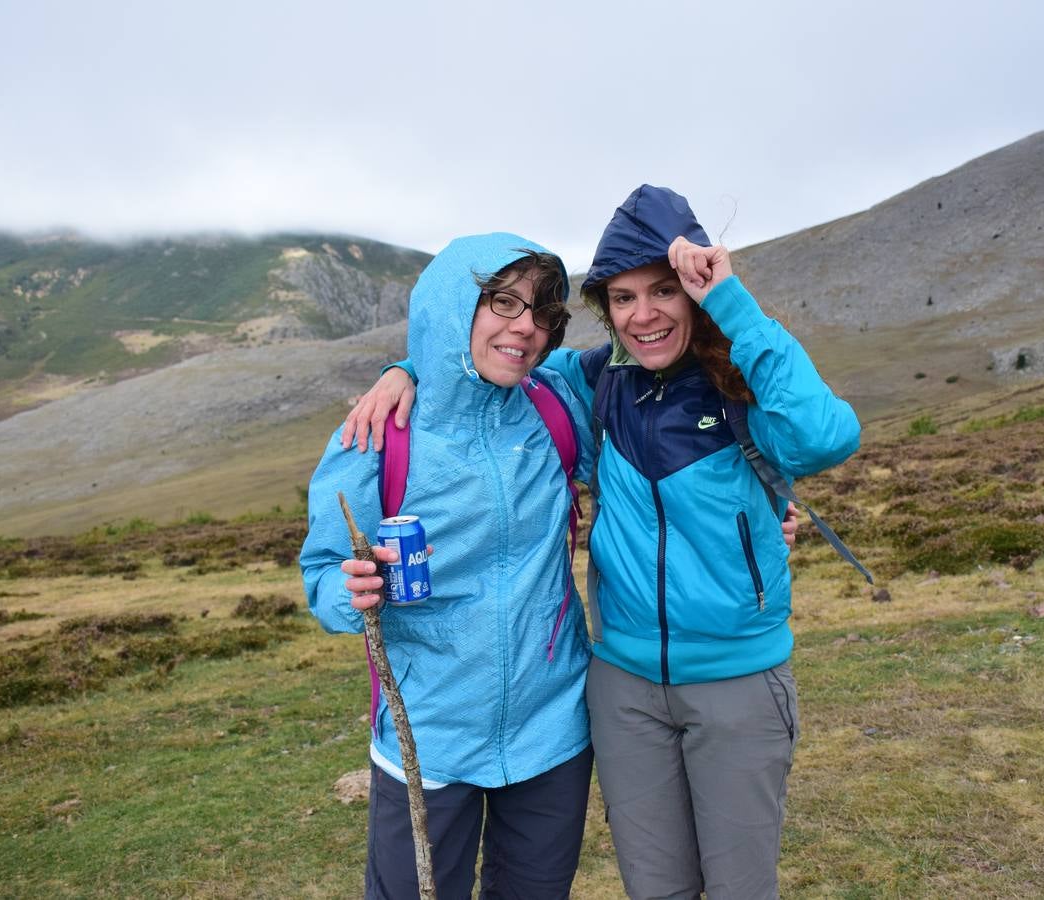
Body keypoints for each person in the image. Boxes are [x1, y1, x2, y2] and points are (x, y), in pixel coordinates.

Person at [347, 186, 861, 899]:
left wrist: (732, 302)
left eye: (664, 291)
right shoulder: (595, 385)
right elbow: (487, 359)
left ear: (694, 292)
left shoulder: (742, 386)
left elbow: (827, 437)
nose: (644, 314)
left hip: (737, 680)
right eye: (621, 298)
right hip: (622, 688)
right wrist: (402, 370)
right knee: (656, 889)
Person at [299, 233, 595, 900]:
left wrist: (744, 509)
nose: (526, 327)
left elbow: (654, 382)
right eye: (502, 302)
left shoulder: (554, 403)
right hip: (428, 737)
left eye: (542, 311)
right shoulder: (378, 434)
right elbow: (321, 570)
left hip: (554, 728)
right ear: (454, 306)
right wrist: (353, 592)